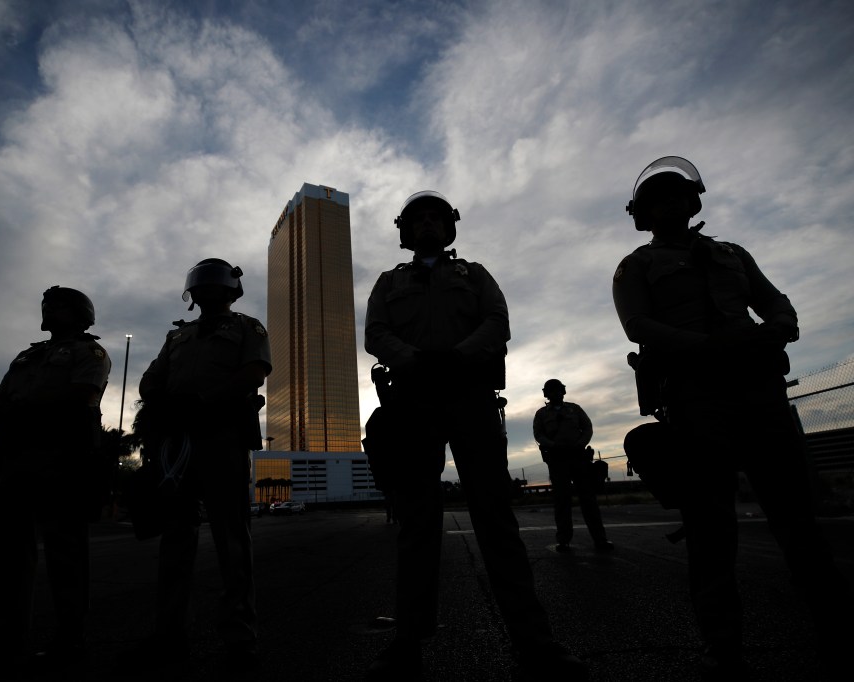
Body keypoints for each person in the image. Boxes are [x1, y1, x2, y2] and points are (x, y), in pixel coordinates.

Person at [612, 156, 852, 679]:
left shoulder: (732, 254)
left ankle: (836, 630)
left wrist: (775, 330)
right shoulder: (637, 265)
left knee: (797, 520)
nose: (671, 203)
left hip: (760, 390)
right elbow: (639, 325)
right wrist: (709, 347)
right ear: (643, 215)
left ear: (693, 200)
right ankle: (723, 649)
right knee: (710, 528)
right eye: (658, 199)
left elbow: (776, 304)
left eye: (678, 194)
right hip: (698, 398)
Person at [364, 191, 588, 680]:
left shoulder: (476, 275)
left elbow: (497, 322)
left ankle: (535, 640)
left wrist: (459, 356)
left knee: (495, 516)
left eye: (436, 218)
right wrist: (414, 360)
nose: (427, 225)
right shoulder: (389, 282)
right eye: (418, 219)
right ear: (406, 231)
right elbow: (375, 333)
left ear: (449, 229)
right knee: (416, 522)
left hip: (471, 395)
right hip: (413, 401)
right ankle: (407, 643)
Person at [129, 258, 270, 675]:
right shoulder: (178, 335)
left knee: (232, 540)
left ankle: (240, 639)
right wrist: (160, 401)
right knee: (175, 540)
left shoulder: (247, 328)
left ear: (230, 291)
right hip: (178, 443)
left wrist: (205, 401)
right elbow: (152, 378)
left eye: (215, 283)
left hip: (222, 436)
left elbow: (254, 371)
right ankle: (169, 635)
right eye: (201, 284)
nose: (208, 290)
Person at [0, 286, 111, 666]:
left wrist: (26, 409)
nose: (48, 310)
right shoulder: (28, 355)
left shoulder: (89, 352)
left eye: (57, 306)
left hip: (64, 458)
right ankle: (9, 635)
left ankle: (69, 638)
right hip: (18, 457)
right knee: (10, 551)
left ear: (79, 314)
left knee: (66, 551)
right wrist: (18, 413)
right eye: (46, 305)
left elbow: (81, 394)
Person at [532, 379, 612, 552]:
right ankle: (563, 540)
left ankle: (600, 539)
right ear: (546, 394)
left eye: (558, 390)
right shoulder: (542, 414)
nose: (556, 394)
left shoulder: (575, 409)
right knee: (562, 501)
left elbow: (587, 427)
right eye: (552, 391)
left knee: (588, 500)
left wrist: (580, 443)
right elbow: (538, 434)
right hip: (557, 460)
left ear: (563, 392)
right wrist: (553, 446)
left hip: (579, 458)